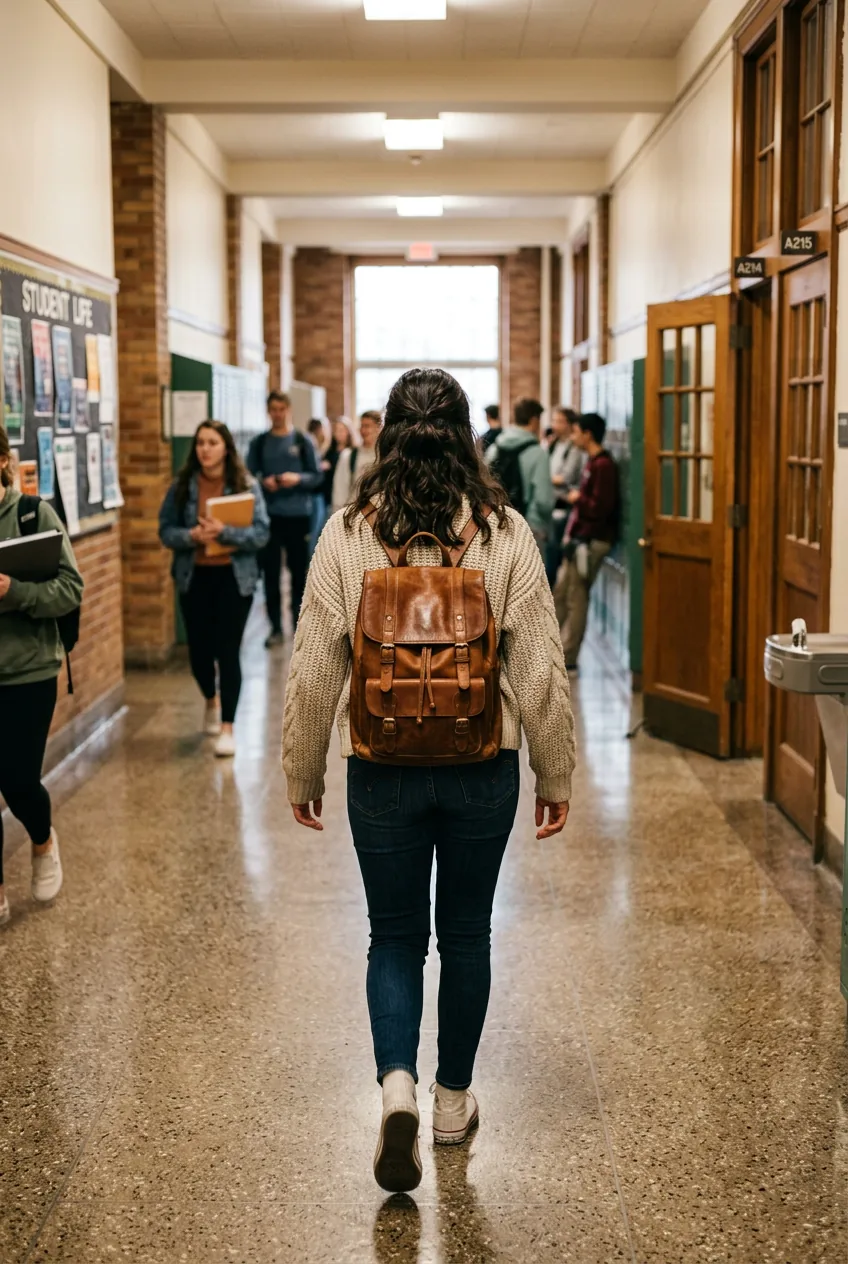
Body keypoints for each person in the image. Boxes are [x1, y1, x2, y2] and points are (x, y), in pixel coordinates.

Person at [282, 368, 574, 1193]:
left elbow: (312, 667)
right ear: (467, 437)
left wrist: (302, 767)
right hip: (484, 764)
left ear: (385, 440)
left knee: (396, 936)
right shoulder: (503, 530)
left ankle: (396, 1088)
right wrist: (557, 772)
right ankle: (452, 1102)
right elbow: (541, 668)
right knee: (469, 934)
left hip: (380, 768)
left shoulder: (348, 533)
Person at [0, 425, 83, 925]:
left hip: (28, 670)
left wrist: (13, 591)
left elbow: (69, 590)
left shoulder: (33, 515)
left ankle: (42, 837)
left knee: (18, 780)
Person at [159, 420, 269, 758]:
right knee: (199, 654)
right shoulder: (181, 487)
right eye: (201, 443)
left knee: (228, 650)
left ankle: (228, 727)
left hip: (234, 580)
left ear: (226, 448)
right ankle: (210, 697)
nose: (205, 449)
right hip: (195, 578)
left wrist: (225, 533)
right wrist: (191, 536)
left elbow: (261, 533)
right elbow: (165, 530)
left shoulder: (245, 484)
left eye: (212, 442)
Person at [247, 391, 323, 649]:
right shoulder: (259, 443)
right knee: (270, 574)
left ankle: (298, 625)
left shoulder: (303, 441)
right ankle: (275, 627)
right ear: (268, 411)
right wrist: (263, 482)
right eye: (273, 409)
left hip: (297, 516)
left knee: (298, 574)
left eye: (281, 409)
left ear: (288, 409)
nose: (277, 414)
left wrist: (296, 479)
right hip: (269, 518)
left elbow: (316, 477)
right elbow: (248, 477)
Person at [553, 412, 620, 671]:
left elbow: (599, 508)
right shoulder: (592, 462)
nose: (573, 437)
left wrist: (577, 498)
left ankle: (568, 655)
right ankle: (553, 646)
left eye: (576, 432)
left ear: (587, 434)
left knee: (576, 597)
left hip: (591, 542)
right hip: (580, 540)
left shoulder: (603, 466)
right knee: (562, 593)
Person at [485, 397, 554, 551]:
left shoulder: (495, 448)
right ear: (534, 420)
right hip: (529, 528)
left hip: (498, 524)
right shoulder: (538, 453)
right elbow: (544, 501)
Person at [546, 406, 586, 586]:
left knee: (555, 551)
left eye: (559, 421)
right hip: (551, 502)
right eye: (554, 420)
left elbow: (567, 476)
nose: (555, 425)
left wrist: (546, 478)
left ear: (570, 425)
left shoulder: (573, 448)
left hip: (563, 504)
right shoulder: (553, 443)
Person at [331, 410, 382, 510]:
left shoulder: (385, 456)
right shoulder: (349, 455)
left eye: (367, 426)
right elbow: (340, 490)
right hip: (354, 513)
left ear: (378, 428)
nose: (363, 430)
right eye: (361, 426)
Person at [306, 418, 330, 556]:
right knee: (315, 531)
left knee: (317, 530)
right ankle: (311, 560)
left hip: (321, 494)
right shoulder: (311, 445)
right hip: (315, 495)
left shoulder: (325, 447)